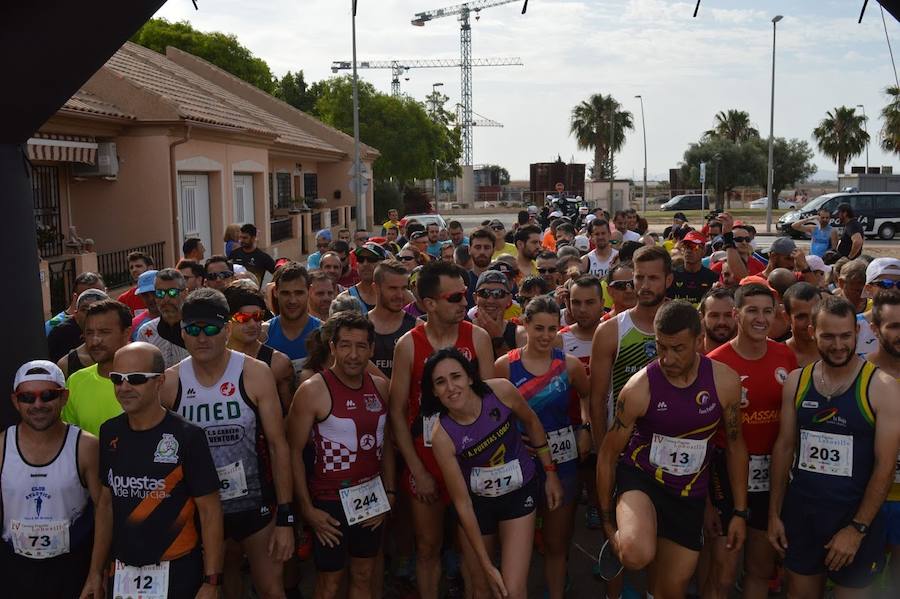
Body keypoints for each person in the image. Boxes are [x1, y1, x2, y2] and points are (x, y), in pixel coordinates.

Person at [596, 301, 748, 597]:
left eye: (678, 348)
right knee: (636, 554)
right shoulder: (640, 387)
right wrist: (605, 521)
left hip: (688, 491)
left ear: (698, 339)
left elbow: (735, 446)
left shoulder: (725, 381)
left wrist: (740, 511)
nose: (667, 358)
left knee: (672, 589)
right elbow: (607, 454)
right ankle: (624, 537)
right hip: (642, 480)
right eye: (661, 347)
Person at [159, 289, 295, 599]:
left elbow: (278, 446)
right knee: (217, 587)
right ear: (183, 333)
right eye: (193, 329)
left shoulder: (255, 373)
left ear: (227, 330)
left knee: (272, 589)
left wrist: (286, 516)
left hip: (254, 503)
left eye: (211, 328)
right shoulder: (169, 383)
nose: (202, 337)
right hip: (200, 509)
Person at [768, 295, 900, 597]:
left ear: (857, 332)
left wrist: (857, 528)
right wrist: (774, 514)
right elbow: (784, 448)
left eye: (845, 336)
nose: (838, 345)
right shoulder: (796, 382)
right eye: (828, 336)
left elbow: (885, 465)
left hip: (855, 517)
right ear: (813, 331)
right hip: (803, 516)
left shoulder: (882, 388)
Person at [80, 342, 225, 599]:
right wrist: (95, 571)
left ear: (160, 381)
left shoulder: (188, 436)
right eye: (117, 379)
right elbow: (105, 505)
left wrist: (212, 580)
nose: (124, 388)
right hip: (123, 569)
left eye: (135, 379)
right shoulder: (109, 432)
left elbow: (210, 510)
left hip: (177, 567)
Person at [388, 261, 494, 599]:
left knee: (474, 551)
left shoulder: (477, 337)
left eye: (465, 294)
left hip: (471, 459)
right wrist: (416, 469)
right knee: (428, 547)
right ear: (429, 303)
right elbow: (396, 411)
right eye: (455, 297)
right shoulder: (407, 344)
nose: (465, 302)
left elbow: (492, 406)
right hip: (426, 459)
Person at [425, 348, 562, 599]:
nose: (451, 387)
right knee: (482, 589)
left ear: (469, 377)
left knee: (513, 590)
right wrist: (487, 567)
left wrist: (550, 472)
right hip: (477, 506)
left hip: (519, 493)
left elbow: (531, 422)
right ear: (434, 391)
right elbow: (462, 503)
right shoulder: (441, 436)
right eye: (440, 382)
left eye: (456, 376)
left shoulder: (500, 391)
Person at [287, 312, 394, 599]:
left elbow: (387, 446)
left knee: (364, 574)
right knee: (329, 582)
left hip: (370, 498)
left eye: (361, 346)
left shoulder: (382, 387)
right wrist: (307, 509)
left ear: (372, 350)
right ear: (332, 347)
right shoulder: (312, 390)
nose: (353, 354)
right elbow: (292, 452)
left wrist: (390, 494)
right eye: (345, 345)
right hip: (329, 503)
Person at [704, 282, 798, 599]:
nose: (761, 318)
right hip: (726, 474)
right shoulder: (716, 362)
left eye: (767, 311)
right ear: (736, 314)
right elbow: (701, 433)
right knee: (725, 574)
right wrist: (706, 502)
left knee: (759, 569)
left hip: (772, 473)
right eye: (752, 310)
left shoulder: (786, 355)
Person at [495, 298, 589, 599]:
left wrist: (586, 429)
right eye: (538, 328)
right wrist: (509, 436)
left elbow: (588, 399)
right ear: (524, 323)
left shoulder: (570, 366)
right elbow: (493, 414)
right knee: (513, 541)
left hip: (563, 463)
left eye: (552, 328)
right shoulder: (505, 366)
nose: (546, 336)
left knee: (556, 542)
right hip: (520, 463)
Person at [2, 360, 99, 599]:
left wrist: (96, 572)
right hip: (14, 569)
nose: (38, 404)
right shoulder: (2, 446)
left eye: (48, 395)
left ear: (64, 397)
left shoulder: (86, 446)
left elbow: (105, 512)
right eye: (27, 397)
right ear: (15, 400)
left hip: (72, 567)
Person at [591, 246, 673, 432]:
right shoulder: (609, 331)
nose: (644, 285)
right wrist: (603, 455)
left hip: (674, 440)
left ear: (668, 280)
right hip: (624, 446)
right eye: (639, 277)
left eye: (653, 278)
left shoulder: (687, 323)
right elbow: (597, 401)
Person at [865, 289, 900, 588]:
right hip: (867, 501)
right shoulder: (860, 373)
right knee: (864, 583)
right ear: (875, 329)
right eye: (894, 326)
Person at [63, 299, 133, 436]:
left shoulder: (147, 381)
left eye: (104, 332)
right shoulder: (75, 382)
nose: (95, 340)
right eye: (89, 333)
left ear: (126, 333)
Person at [223, 282, 295, 411]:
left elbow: (290, 415)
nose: (252, 324)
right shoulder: (213, 359)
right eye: (243, 318)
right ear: (227, 321)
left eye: (257, 316)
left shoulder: (278, 363)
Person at [264, 262, 322, 380]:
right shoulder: (262, 334)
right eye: (286, 293)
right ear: (275, 292)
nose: (292, 300)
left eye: (299, 293)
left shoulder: (324, 333)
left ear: (309, 291)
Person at [369, 260, 417, 379]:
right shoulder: (359, 328)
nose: (400, 295)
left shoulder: (417, 328)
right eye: (393, 288)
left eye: (404, 288)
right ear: (376, 288)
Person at [136, 268, 191, 368]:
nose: (165, 299)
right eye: (159, 293)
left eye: (172, 292)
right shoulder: (146, 332)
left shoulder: (195, 329)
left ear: (185, 293)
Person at [49, 287, 109, 366]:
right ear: (75, 315)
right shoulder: (58, 335)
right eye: (84, 309)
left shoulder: (122, 352)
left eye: (97, 309)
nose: (89, 313)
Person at [471, 270, 522, 358]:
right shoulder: (462, 330)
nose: (490, 300)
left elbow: (517, 370)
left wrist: (498, 339)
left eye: (498, 294)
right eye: (484, 293)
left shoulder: (519, 334)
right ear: (475, 298)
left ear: (509, 300)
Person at [855, 257, 900, 357]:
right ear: (868, 288)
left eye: (899, 284)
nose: (895, 289)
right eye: (886, 284)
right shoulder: (852, 325)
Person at [45, 271, 106, 335]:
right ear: (75, 297)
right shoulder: (53, 326)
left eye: (99, 295)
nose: (94, 302)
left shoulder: (114, 321)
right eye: (87, 297)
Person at [668, 231, 719, 306]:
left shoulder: (712, 278)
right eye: (686, 246)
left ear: (703, 251)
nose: (688, 251)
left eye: (693, 247)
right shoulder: (672, 275)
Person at [337, 242, 387, 312]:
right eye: (360, 259)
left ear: (383, 263)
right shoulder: (346, 298)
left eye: (371, 259)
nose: (365, 264)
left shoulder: (393, 295)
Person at [784, 283, 823, 366]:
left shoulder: (836, 352)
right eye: (801, 317)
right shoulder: (777, 356)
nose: (810, 323)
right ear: (787, 317)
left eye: (815, 314)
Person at [700, 287, 737, 355]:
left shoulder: (749, 355)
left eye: (728, 315)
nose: (722, 322)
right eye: (714, 315)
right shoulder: (690, 356)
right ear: (702, 317)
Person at [130, 269, 159, 338]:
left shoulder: (177, 318)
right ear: (140, 297)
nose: (151, 298)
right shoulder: (134, 324)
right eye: (145, 295)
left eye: (154, 293)